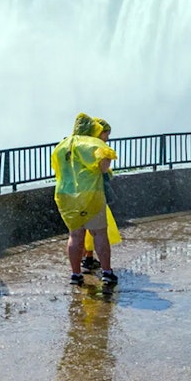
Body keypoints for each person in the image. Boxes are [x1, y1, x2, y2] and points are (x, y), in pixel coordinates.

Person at [52, 113, 119, 286]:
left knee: (75, 236)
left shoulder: (62, 146)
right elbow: (103, 166)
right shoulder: (90, 143)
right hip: (89, 195)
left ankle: (75, 274)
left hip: (66, 196)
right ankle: (107, 272)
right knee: (99, 233)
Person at [81, 118, 121, 272]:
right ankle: (96, 263)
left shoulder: (81, 146)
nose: (107, 138)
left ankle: (88, 257)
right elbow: (102, 170)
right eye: (106, 134)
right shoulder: (95, 148)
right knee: (96, 230)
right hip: (93, 192)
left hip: (79, 194)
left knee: (83, 229)